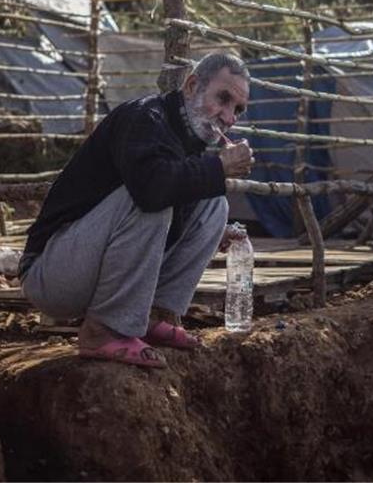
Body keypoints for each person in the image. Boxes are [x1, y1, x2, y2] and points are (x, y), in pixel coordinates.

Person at [19, 53, 254, 369]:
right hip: (52, 272)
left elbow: (171, 193)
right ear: (192, 86)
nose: (228, 117)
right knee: (156, 194)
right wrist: (220, 166)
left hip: (89, 264)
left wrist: (208, 230)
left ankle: (154, 316)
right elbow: (151, 192)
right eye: (222, 99)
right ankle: (103, 330)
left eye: (237, 109)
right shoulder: (145, 118)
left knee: (214, 204)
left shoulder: (187, 139)